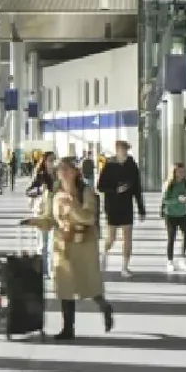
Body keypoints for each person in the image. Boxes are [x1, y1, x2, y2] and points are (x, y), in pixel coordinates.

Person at [48, 158, 113, 340]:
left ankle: (104, 306)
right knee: (64, 286)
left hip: (84, 244)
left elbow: (89, 218)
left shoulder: (86, 191)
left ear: (76, 172)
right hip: (63, 244)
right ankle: (68, 328)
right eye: (60, 170)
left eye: (67, 169)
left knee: (89, 285)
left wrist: (71, 204)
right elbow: (51, 217)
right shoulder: (55, 192)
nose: (63, 173)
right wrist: (35, 222)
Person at [97, 140, 144, 280]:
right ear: (116, 149)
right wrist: (115, 189)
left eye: (125, 149)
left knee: (127, 237)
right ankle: (104, 254)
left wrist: (141, 209)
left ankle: (124, 267)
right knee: (111, 238)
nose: (123, 151)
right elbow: (100, 186)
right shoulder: (109, 164)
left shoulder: (132, 165)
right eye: (121, 149)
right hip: (112, 205)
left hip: (126, 205)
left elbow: (137, 188)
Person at [161, 163, 186, 271]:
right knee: (172, 237)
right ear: (174, 173)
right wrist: (178, 200)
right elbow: (165, 200)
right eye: (179, 172)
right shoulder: (169, 184)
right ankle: (169, 261)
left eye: (183, 172)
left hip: (183, 214)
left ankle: (182, 259)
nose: (182, 174)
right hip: (170, 215)